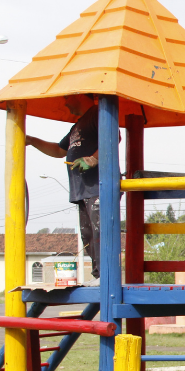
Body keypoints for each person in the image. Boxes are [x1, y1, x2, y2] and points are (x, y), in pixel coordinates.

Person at [25, 105, 108, 280]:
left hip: (99, 187)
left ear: (81, 96)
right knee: (88, 235)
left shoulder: (96, 112)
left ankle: (106, 276)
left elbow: (113, 137)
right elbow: (58, 150)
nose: (66, 102)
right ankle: (99, 276)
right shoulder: (77, 126)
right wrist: (32, 141)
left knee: (100, 233)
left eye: (69, 97)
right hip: (82, 190)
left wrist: (93, 158)